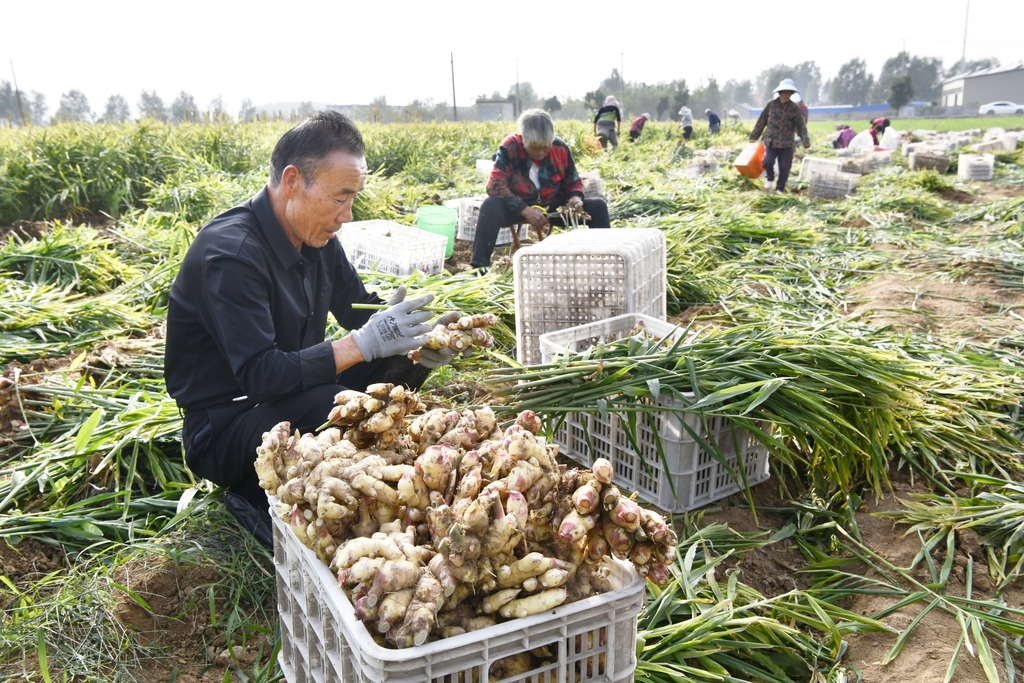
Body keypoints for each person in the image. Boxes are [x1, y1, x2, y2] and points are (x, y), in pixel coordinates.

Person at [164, 111, 461, 548]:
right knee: (333, 404)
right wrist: (362, 343)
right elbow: (261, 374)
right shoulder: (231, 255)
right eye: (340, 197)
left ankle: (344, 466)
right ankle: (252, 492)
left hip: (284, 393)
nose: (346, 215)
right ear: (292, 181)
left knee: (394, 360)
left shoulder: (318, 238)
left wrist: (422, 339)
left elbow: (360, 312)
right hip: (226, 427)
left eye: (353, 199)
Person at [470, 108, 611, 270]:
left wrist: (575, 199)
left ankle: (604, 264)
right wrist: (525, 210)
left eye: (545, 147)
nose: (541, 152)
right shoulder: (511, 147)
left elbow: (573, 182)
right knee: (490, 206)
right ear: (524, 141)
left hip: (553, 206)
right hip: (517, 206)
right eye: (535, 148)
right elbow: (494, 186)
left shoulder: (560, 148)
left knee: (598, 206)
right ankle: (479, 267)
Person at [748, 78, 811, 193]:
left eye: (789, 92)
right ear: (780, 92)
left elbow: (801, 125)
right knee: (767, 161)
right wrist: (754, 136)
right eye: (784, 92)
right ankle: (770, 178)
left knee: (785, 167)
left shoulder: (794, 108)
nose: (786, 95)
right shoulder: (771, 104)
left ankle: (779, 189)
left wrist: (805, 140)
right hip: (771, 140)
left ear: (791, 94)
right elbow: (762, 120)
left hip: (787, 143)